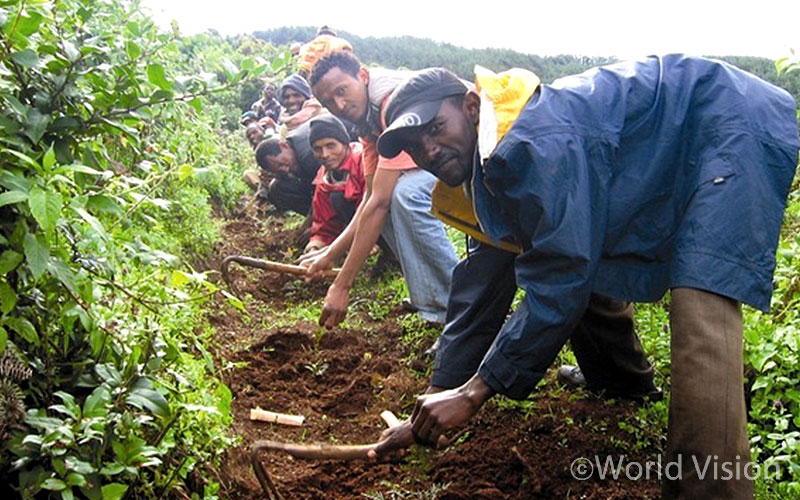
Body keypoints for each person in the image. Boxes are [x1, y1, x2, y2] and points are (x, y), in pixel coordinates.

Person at [370, 57, 799, 500]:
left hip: (728, 122)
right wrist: (437, 398)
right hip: (673, 139)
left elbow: (561, 274)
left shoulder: (533, 142)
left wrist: (475, 392)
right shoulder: (483, 167)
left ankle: (710, 490)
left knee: (701, 303)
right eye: (417, 147)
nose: (430, 151)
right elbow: (481, 283)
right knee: (575, 249)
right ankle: (622, 381)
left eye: (435, 129)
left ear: (472, 106)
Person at [302, 51, 458, 327]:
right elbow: (370, 199)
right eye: (328, 101)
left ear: (361, 76)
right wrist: (329, 254)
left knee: (406, 194)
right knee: (385, 203)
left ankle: (458, 305)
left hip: (478, 149)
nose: (339, 104)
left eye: (342, 91)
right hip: (446, 158)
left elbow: (380, 201)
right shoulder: (367, 120)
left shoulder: (389, 103)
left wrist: (342, 284)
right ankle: (432, 301)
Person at [305, 114, 366, 254]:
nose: (325, 154)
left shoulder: (363, 160)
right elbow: (323, 224)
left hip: (384, 219)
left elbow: (375, 209)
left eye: (330, 145)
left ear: (345, 143)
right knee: (336, 197)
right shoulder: (324, 175)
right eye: (317, 149)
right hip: (361, 225)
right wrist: (313, 248)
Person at [254, 120, 320, 215]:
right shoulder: (291, 147)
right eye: (279, 170)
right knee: (277, 187)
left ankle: (329, 221)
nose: (286, 170)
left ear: (283, 146)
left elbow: (321, 191)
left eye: (282, 164)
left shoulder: (308, 154)